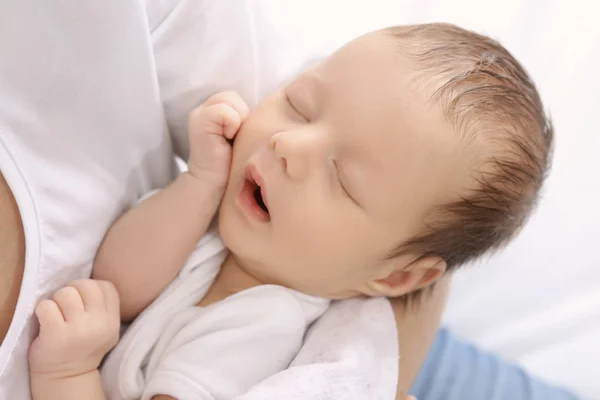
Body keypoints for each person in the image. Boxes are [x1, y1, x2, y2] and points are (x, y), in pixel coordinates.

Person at [0, 1, 580, 399]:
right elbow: (119, 283)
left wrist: (68, 371)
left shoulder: (257, 330)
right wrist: (198, 185)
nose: (289, 145)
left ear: (399, 275)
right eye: (301, 103)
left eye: (343, 180)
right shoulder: (238, 242)